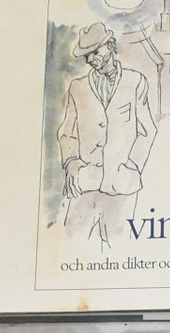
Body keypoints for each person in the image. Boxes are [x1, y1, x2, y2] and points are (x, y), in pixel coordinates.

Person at [57, 23, 156, 249]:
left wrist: (133, 165)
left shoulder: (135, 82)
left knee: (119, 247)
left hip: (122, 184)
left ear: (110, 46)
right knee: (71, 243)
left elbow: (147, 130)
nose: (90, 59)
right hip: (85, 182)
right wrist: (71, 162)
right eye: (87, 56)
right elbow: (67, 132)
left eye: (95, 52)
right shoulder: (77, 87)